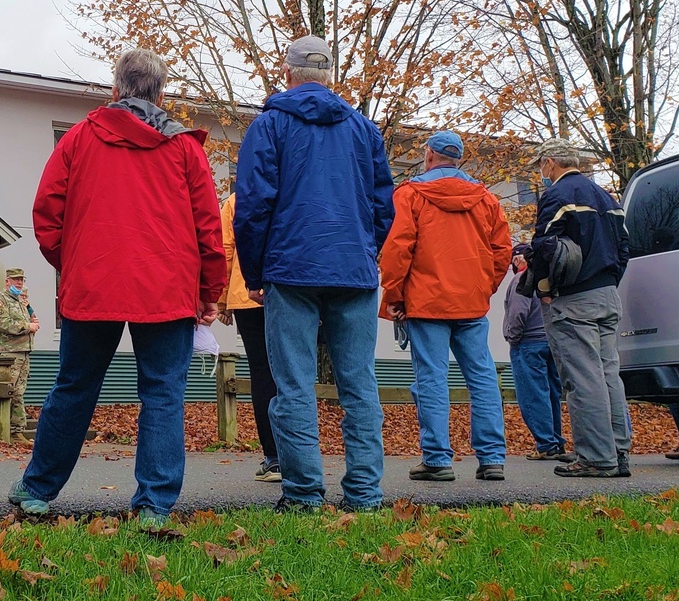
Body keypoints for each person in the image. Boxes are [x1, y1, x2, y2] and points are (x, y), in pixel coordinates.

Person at [10, 49, 226, 529]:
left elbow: (47, 213)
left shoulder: (79, 139)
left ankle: (37, 490)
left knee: (74, 386)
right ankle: (153, 506)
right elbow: (207, 225)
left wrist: (73, 263)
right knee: (164, 393)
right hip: (166, 287)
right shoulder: (185, 148)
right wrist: (210, 288)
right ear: (161, 94)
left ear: (115, 90)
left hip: (94, 283)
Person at [234, 35, 394, 513]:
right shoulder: (365, 131)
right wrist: (365, 251)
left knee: (294, 385)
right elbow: (384, 206)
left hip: (292, 267)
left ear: (288, 73)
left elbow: (252, 207)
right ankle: (365, 493)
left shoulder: (269, 127)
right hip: (352, 268)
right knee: (359, 384)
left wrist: (254, 271)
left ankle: (303, 494)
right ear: (330, 76)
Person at [380, 130, 512, 482]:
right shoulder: (485, 198)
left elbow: (398, 249)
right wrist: (484, 287)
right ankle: (492, 458)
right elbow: (502, 251)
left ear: (428, 156)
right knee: (482, 377)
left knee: (431, 379)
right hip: (471, 302)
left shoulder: (410, 194)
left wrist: (394, 295)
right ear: (458, 159)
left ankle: (438, 459)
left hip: (426, 302)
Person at [523, 138, 631, 478]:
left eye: (541, 165)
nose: (541, 172)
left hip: (573, 299)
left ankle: (597, 458)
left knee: (582, 379)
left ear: (551, 162)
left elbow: (543, 246)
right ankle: (617, 451)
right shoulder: (606, 197)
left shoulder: (556, 196)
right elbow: (625, 248)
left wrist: (544, 287)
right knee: (608, 373)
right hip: (607, 293)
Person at [218, 192, 280, 482]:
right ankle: (298, 453)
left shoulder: (234, 202)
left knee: (262, 372)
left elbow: (225, 249)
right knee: (290, 371)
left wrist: (220, 300)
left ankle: (274, 457)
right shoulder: (289, 189)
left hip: (246, 297)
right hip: (286, 291)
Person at [504, 242, 570, 462]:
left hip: (528, 344)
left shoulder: (520, 281)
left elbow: (517, 315)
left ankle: (545, 444)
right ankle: (556, 440)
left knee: (533, 395)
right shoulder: (547, 279)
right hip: (550, 341)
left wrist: (513, 339)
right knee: (552, 394)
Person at [0, 267, 40, 445]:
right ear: (7, 281)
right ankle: (8, 432)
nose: (19, 283)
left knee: (19, 392)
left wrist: (32, 320)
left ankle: (16, 431)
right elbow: (3, 323)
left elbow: (30, 321)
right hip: (7, 354)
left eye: (21, 280)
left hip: (22, 353)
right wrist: (27, 326)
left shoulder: (20, 301)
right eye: (16, 279)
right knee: (9, 392)